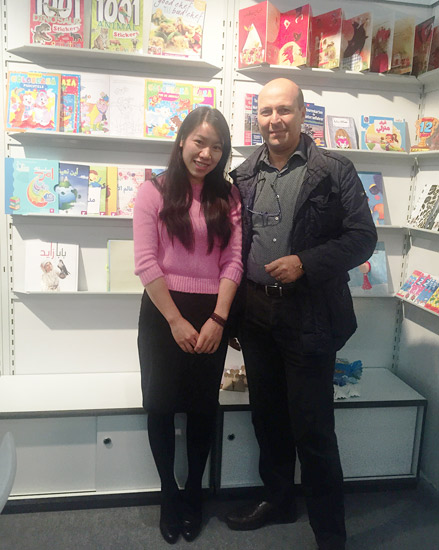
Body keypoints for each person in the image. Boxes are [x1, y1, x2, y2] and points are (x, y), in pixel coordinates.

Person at [225, 78, 377, 550]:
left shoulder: (334, 170)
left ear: (302, 113)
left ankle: (330, 534)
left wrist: (305, 264)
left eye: (284, 110)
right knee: (267, 418)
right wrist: (233, 315)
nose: (274, 120)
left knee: (313, 429)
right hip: (256, 313)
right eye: (266, 111)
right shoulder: (242, 175)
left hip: (309, 315)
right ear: (257, 117)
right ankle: (278, 501)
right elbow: (234, 249)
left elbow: (363, 238)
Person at [133, 106, 243, 545]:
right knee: (160, 406)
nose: (206, 154)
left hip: (212, 312)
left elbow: (233, 261)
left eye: (217, 147)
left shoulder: (229, 197)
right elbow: (146, 262)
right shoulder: (152, 192)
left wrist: (219, 318)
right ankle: (168, 494)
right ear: (182, 140)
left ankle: (193, 491)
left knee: (201, 408)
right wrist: (175, 320)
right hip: (163, 314)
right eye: (200, 142)